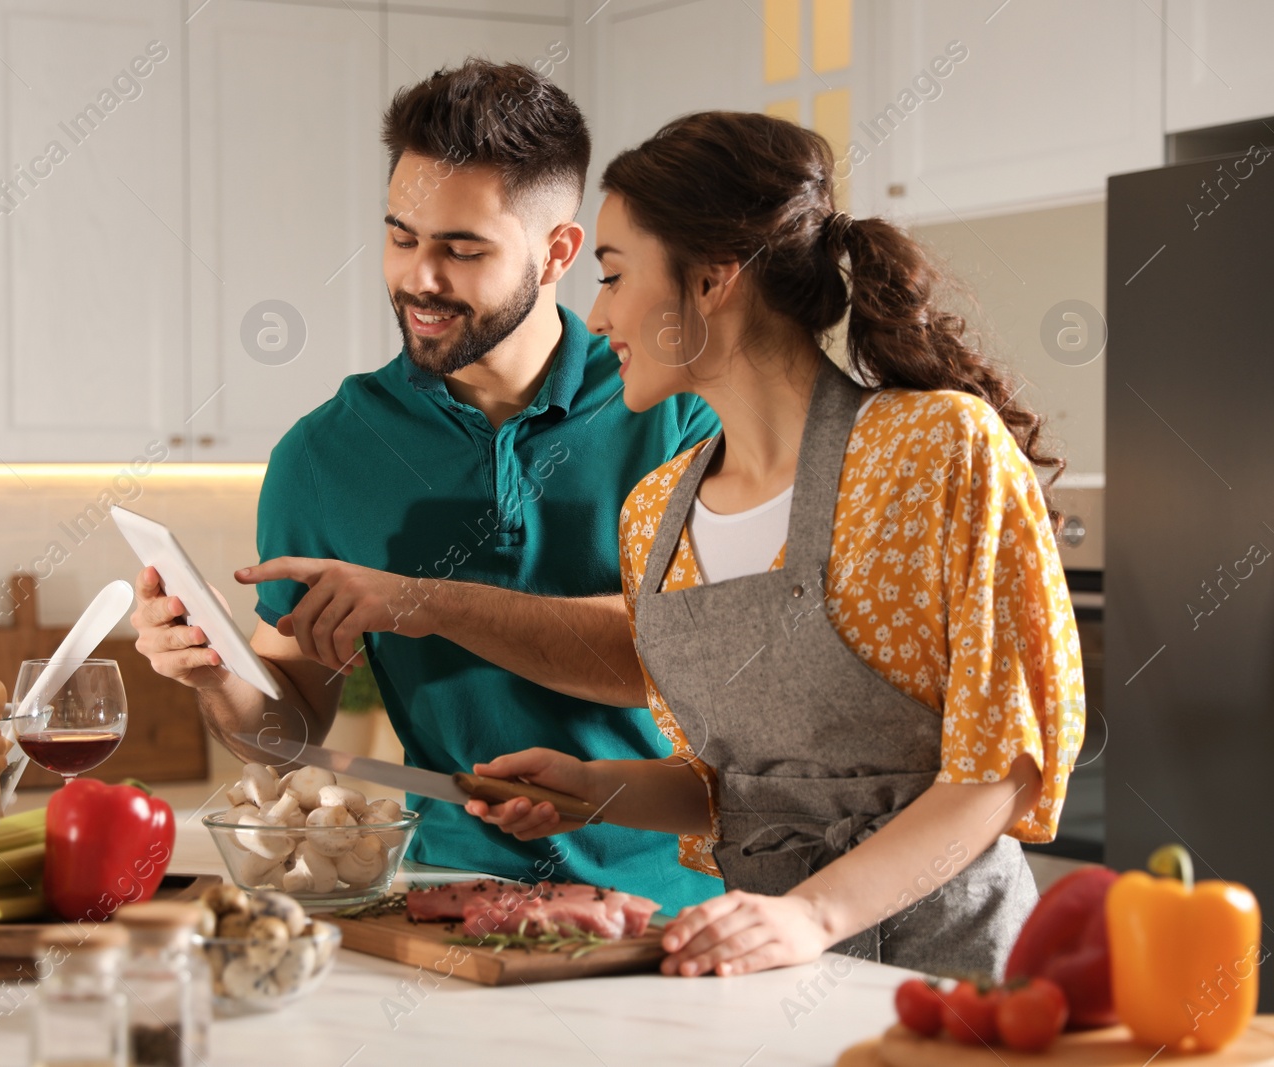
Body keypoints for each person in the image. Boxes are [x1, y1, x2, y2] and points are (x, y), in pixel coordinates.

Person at [465, 111, 1086, 977]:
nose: (597, 313)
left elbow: (1003, 769)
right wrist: (592, 787)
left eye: (611, 275)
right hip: (768, 965)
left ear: (715, 280)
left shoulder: (937, 450)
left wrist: (813, 914)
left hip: (948, 971)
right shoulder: (657, 512)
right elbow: (731, 792)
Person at [132, 60, 723, 910]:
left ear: (559, 251)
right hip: (447, 897)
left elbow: (683, 658)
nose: (420, 278)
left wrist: (417, 600)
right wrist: (216, 675)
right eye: (402, 236)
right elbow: (291, 732)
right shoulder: (325, 454)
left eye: (462, 249)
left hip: (683, 899)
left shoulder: (674, 407)